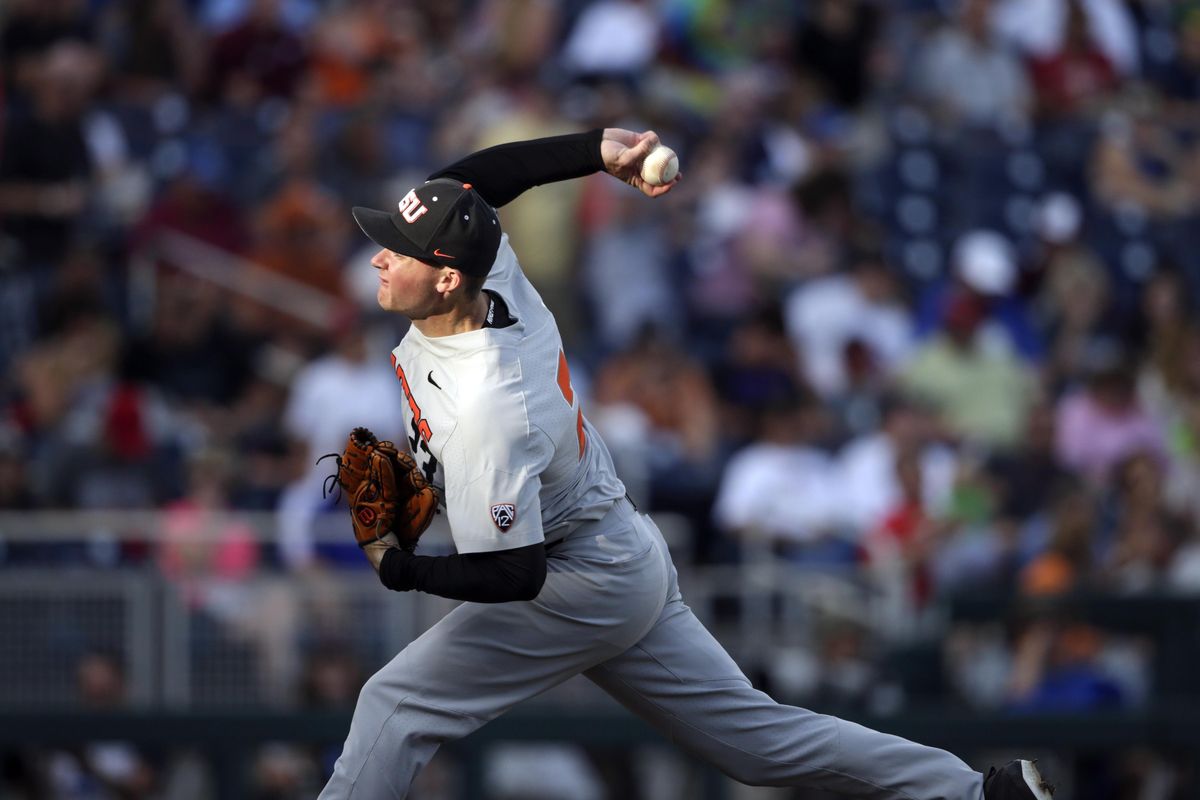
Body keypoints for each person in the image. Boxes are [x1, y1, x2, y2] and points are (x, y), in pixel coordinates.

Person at [318, 128, 1053, 800]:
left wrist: (398, 566)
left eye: (399, 249)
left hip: (576, 574)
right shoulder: (485, 272)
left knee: (397, 702)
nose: (379, 254)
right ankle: (974, 796)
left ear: (446, 279)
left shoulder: (487, 408)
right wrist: (596, 150)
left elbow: (516, 575)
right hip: (618, 549)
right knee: (758, 745)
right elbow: (468, 186)